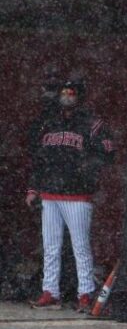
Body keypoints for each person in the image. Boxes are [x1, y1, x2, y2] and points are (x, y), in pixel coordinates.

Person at [26, 76, 115, 312]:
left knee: (80, 246)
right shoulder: (49, 123)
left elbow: (108, 153)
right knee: (50, 246)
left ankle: (84, 293)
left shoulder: (91, 124)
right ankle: (50, 291)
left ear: (79, 96)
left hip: (77, 195)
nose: (66, 97)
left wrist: (86, 171)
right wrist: (33, 189)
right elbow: (39, 159)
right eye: (64, 93)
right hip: (49, 194)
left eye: (71, 93)